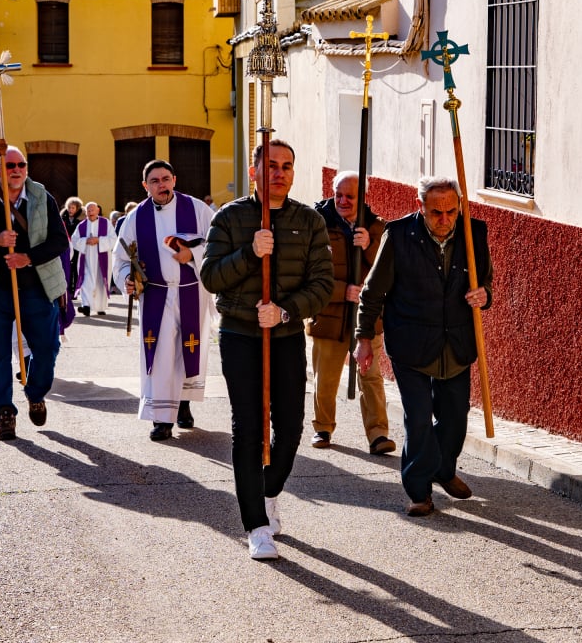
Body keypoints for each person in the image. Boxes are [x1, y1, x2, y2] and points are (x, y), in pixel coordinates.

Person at [200, 140, 333, 560]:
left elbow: (322, 285)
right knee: (248, 427)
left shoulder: (308, 221)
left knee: (291, 426)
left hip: (286, 337)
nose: (280, 172)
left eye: (287, 166)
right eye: (271, 165)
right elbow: (211, 277)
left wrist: (286, 312)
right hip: (241, 337)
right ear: (255, 170)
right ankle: (255, 524)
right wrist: (249, 252)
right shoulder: (231, 217)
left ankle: (270, 488)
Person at [353, 176, 493, 517]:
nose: (444, 220)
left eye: (450, 212)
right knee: (417, 419)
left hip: (456, 344)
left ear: (459, 207)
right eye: (435, 213)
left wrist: (483, 295)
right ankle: (419, 490)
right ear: (421, 208)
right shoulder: (399, 236)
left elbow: (485, 281)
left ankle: (443, 470)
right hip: (411, 345)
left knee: (455, 420)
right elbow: (373, 293)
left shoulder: (474, 233)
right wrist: (363, 339)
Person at [0, 146, 70, 441]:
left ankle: (35, 392)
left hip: (36, 288)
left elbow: (59, 241)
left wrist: (27, 258)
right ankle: (5, 412)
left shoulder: (43, 198)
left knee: (46, 349)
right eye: (9, 165)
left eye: (21, 164)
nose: (16, 170)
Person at [114, 160, 216, 442]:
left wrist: (192, 256)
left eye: (166, 179)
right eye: (155, 181)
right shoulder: (136, 218)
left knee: (188, 350)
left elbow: (218, 242)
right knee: (160, 356)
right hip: (156, 294)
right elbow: (121, 257)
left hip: (192, 290)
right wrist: (127, 279)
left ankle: (183, 403)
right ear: (145, 186)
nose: (162, 185)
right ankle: (162, 419)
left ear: (174, 179)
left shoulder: (197, 209)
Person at [306, 171, 395, 455]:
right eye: (338, 194)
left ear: (363, 198)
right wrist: (341, 290)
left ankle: (378, 434)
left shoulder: (377, 227)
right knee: (326, 375)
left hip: (366, 316)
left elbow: (386, 274)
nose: (342, 201)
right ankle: (322, 427)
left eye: (350, 196)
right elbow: (308, 274)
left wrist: (369, 247)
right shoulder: (316, 224)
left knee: (370, 376)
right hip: (328, 313)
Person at [71, 201, 116, 316]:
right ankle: (86, 305)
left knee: (100, 281)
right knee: (86, 280)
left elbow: (113, 239)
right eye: (88, 211)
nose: (90, 212)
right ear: (85, 212)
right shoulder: (81, 225)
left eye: (92, 210)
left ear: (97, 211)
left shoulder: (106, 223)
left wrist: (99, 240)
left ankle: (100, 307)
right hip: (86, 258)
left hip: (102, 257)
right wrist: (85, 241)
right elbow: (74, 240)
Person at [60, 197, 85, 295]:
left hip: (77, 247)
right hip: (66, 246)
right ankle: (67, 290)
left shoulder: (82, 220)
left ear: (77, 208)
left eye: (73, 208)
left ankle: (75, 290)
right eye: (69, 207)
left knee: (76, 267)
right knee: (67, 267)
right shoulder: (63, 217)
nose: (70, 210)